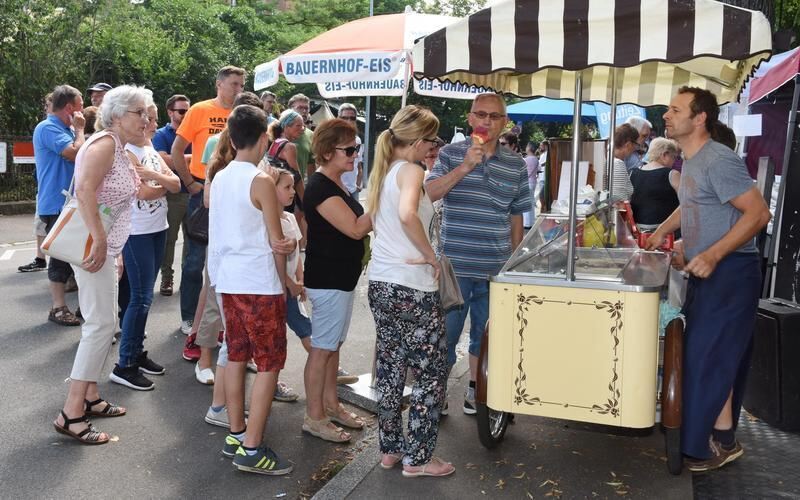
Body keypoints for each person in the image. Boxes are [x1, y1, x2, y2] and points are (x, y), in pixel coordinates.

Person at [646, 86, 771, 472]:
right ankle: (723, 439)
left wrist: (713, 254)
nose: (667, 115)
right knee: (712, 357)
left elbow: (758, 214)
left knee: (707, 356)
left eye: (675, 109)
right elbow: (691, 206)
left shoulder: (718, 159)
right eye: (668, 108)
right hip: (710, 271)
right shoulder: (690, 160)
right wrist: (660, 234)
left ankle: (707, 444)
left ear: (700, 118)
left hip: (732, 272)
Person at [52, 85, 151, 445]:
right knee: (100, 325)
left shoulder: (118, 146)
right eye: (140, 112)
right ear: (118, 115)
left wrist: (116, 249)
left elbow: (116, 203)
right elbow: (85, 191)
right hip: (95, 245)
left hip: (107, 246)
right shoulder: (106, 144)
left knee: (103, 321)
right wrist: (100, 240)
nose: (146, 118)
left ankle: (90, 397)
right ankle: (71, 412)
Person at [425, 93, 530, 415]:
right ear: (470, 118)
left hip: (494, 268)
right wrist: (466, 166)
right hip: (454, 267)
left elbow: (516, 216)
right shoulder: (450, 154)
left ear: (504, 123)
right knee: (445, 337)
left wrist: (512, 263)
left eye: (494, 116)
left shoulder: (516, 164)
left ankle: (477, 390)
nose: (486, 121)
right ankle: (437, 393)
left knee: (486, 339)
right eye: (480, 114)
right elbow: (428, 193)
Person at [366, 105, 454, 477]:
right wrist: (430, 254)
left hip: (381, 282)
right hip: (411, 286)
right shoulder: (413, 171)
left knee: (390, 367)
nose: (433, 147)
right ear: (418, 141)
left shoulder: (383, 171)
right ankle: (418, 458)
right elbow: (407, 215)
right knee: (429, 373)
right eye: (432, 141)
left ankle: (390, 449)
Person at [207, 104, 293, 475]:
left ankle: (237, 433)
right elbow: (278, 242)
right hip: (259, 282)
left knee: (237, 355)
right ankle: (253, 448)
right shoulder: (261, 181)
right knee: (269, 363)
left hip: (228, 280)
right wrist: (287, 274)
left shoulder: (223, 175)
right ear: (263, 139)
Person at [302, 118, 371, 443]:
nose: (355, 154)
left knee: (332, 347)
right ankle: (314, 416)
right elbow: (356, 228)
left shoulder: (335, 183)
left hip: (339, 278)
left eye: (356, 148)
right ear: (328, 151)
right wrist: (384, 203)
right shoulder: (319, 186)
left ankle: (330, 404)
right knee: (322, 349)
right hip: (328, 279)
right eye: (349, 149)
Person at [110, 102, 180, 391]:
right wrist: (160, 183)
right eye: (146, 118)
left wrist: (153, 177)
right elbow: (143, 192)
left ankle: (136, 353)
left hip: (157, 228)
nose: (151, 123)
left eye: (151, 118)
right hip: (136, 232)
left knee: (142, 298)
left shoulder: (149, 150)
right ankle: (124, 364)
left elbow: (174, 184)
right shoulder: (125, 152)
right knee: (139, 299)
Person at [170, 66, 245, 335]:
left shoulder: (243, 113)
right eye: (235, 84)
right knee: (194, 260)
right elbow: (177, 150)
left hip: (237, 194)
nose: (239, 89)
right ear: (219, 84)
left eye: (242, 84)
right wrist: (189, 183)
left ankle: (224, 320)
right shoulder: (200, 110)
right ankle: (189, 317)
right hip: (204, 194)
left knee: (230, 258)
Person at [33, 85, 85, 326]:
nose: (83, 111)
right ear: (69, 109)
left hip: (69, 201)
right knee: (60, 257)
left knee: (77, 255)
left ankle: (83, 306)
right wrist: (81, 129)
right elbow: (75, 153)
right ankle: (58, 307)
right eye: (80, 106)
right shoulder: (49, 128)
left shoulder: (63, 127)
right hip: (57, 202)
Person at [152, 94, 192, 297]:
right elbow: (163, 162)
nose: (186, 114)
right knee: (169, 240)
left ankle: (188, 280)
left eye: (188, 110)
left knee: (192, 241)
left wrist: (176, 158)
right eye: (182, 110)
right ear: (170, 112)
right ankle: (167, 279)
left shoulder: (194, 133)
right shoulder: (161, 135)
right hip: (172, 196)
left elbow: (172, 159)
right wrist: (192, 158)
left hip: (194, 193)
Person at [19, 92, 54, 274]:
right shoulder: (47, 128)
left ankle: (43, 260)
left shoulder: (51, 128)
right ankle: (40, 258)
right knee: (40, 224)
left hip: (52, 191)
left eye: (48, 106)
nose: (47, 110)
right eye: (47, 106)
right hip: (45, 187)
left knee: (44, 224)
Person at [630, 137, 680, 231]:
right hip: (666, 231)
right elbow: (687, 202)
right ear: (665, 155)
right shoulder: (672, 174)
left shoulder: (633, 173)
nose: (674, 162)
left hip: (638, 230)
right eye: (673, 157)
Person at [338, 103, 364, 202]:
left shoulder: (357, 140)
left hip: (353, 190)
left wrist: (359, 183)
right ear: (338, 118)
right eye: (345, 118)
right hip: (336, 190)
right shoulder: (331, 139)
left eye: (352, 118)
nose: (348, 121)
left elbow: (359, 165)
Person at [609, 123, 640, 202]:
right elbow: (619, 200)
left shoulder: (611, 160)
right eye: (636, 144)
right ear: (628, 145)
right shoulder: (617, 164)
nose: (636, 148)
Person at [287, 93, 315, 179]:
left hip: (301, 187)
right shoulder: (278, 129)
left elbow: (311, 164)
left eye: (306, 108)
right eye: (300, 108)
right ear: (290, 109)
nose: (304, 111)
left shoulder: (311, 134)